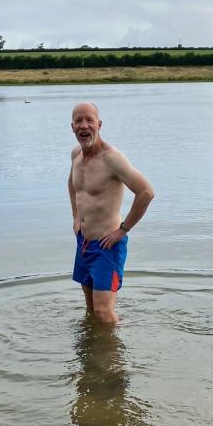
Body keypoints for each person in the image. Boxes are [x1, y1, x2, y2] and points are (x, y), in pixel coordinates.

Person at [68, 102, 154, 323]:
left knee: (103, 313)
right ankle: (92, 353)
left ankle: (115, 357)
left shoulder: (112, 159)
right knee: (90, 309)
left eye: (89, 120)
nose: (84, 125)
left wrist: (122, 230)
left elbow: (146, 192)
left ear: (99, 124)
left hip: (108, 246)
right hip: (84, 243)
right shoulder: (76, 155)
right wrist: (76, 216)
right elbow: (72, 184)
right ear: (72, 127)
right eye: (79, 121)